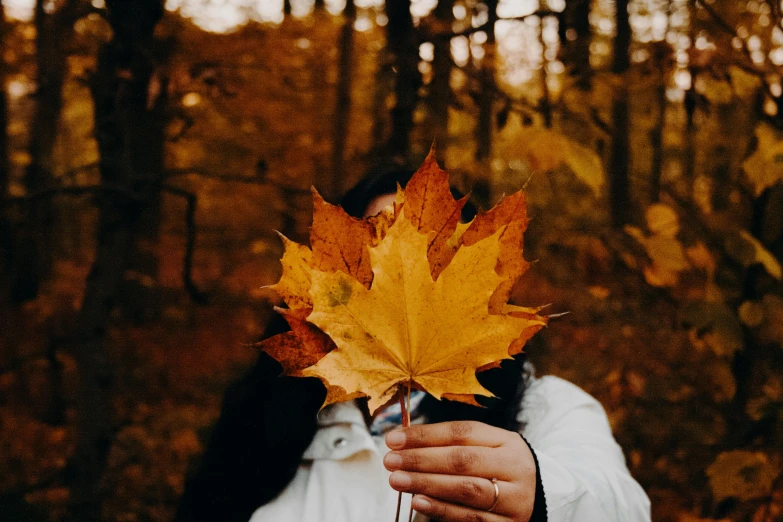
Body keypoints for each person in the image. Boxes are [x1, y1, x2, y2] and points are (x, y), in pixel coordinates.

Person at [174, 168, 651, 522]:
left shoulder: (547, 408)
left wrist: (545, 494)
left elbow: (621, 507)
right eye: (374, 247)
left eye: (432, 254)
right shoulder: (267, 415)